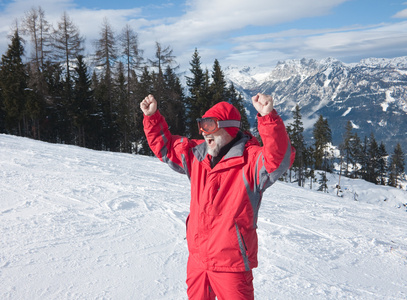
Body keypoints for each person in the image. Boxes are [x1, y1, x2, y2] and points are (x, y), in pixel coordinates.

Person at [140, 93, 295, 300]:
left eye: (210, 125)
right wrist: (152, 118)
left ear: (229, 128)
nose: (204, 132)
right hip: (197, 261)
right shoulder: (197, 155)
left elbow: (278, 158)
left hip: (231, 265)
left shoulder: (250, 162)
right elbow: (167, 148)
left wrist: (268, 117)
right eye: (201, 126)